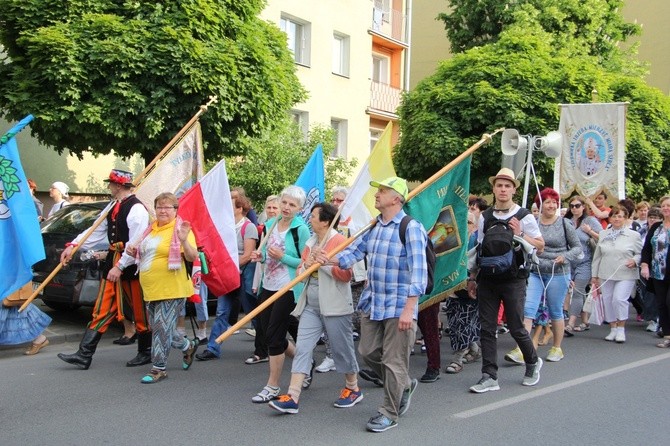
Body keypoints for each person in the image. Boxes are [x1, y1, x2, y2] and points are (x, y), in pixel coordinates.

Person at [317, 176, 427, 433]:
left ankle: (389, 412)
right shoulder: (374, 226)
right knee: (367, 352)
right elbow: (353, 254)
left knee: (393, 361)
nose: (377, 194)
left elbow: (419, 273)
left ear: (396, 198)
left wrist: (410, 309)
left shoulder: (411, 228)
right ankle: (403, 384)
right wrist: (327, 260)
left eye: (383, 190)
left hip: (400, 306)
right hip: (374, 303)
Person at [269, 203, 362, 413]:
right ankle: (293, 396)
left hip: (335, 305)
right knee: (302, 347)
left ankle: (353, 387)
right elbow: (301, 272)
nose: (309, 219)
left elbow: (347, 275)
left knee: (341, 349)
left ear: (326, 222)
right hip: (311, 304)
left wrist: (324, 264)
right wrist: (306, 264)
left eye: (313, 216)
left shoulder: (339, 240)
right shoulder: (311, 242)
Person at [57, 169, 151, 369]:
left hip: (131, 265)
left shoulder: (137, 209)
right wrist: (73, 246)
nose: (108, 187)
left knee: (139, 311)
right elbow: (95, 232)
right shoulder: (112, 206)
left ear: (118, 186)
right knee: (103, 308)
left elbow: (137, 243)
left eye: (110, 184)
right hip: (113, 262)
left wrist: (120, 266)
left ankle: (146, 351)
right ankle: (84, 355)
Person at [468, 168, 545, 393]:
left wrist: (521, 233)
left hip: (514, 279)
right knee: (487, 328)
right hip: (488, 279)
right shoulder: (485, 216)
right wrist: (473, 277)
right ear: (494, 188)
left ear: (513, 190)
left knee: (516, 327)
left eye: (507, 186)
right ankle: (489, 376)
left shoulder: (524, 216)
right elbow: (479, 248)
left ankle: (532, 362)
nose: (503, 189)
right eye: (499, 185)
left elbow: (540, 245)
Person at [125, 192, 199, 383]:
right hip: (151, 289)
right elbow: (142, 252)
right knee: (161, 328)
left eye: (168, 207)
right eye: (160, 207)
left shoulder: (181, 229)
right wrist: (132, 250)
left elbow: (192, 256)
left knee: (160, 328)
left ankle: (158, 368)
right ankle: (186, 346)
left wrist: (183, 240)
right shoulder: (150, 230)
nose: (163, 211)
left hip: (172, 288)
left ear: (176, 210)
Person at [505, 188, 582, 363]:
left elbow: (577, 248)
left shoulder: (564, 224)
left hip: (558, 272)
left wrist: (565, 257)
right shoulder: (534, 223)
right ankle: (521, 349)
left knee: (556, 311)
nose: (552, 205)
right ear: (540, 206)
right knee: (528, 310)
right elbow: (523, 242)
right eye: (547, 202)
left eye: (555, 202)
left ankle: (557, 348)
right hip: (535, 271)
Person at [249, 185, 310, 402]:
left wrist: (282, 256)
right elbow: (266, 254)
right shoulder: (269, 224)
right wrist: (261, 257)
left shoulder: (300, 230)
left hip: (289, 288)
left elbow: (306, 263)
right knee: (266, 333)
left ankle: (272, 386)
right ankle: (305, 364)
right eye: (284, 202)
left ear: (300, 208)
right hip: (269, 284)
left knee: (274, 336)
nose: (286, 207)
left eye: (292, 205)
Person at [196, 194, 258, 360]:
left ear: (239, 208)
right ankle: (212, 348)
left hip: (243, 275)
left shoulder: (248, 227)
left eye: (230, 205)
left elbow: (247, 255)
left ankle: (262, 347)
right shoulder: (225, 227)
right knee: (222, 311)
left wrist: (228, 265)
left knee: (253, 312)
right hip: (228, 275)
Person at [592, 205, 642, 343]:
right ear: (610, 218)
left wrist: (635, 260)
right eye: (614, 216)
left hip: (625, 273)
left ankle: (621, 329)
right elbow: (597, 256)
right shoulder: (603, 234)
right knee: (608, 300)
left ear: (626, 219)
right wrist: (594, 275)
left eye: (620, 216)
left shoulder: (634, 235)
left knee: (619, 299)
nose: (617, 219)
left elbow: (640, 253)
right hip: (606, 272)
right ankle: (613, 328)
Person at [443, 211, 480, 375]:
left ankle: (457, 359)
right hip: (452, 289)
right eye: (463, 222)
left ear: (475, 226)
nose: (466, 226)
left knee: (464, 323)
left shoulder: (477, 242)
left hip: (470, 289)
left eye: (469, 222)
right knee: (454, 323)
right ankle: (474, 349)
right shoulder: (451, 241)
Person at [564, 196, 602, 333]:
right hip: (569, 262)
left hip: (585, 262)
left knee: (578, 291)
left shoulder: (590, 221)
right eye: (572, 206)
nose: (574, 208)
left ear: (583, 206)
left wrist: (590, 232)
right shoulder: (566, 221)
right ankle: (585, 321)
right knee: (573, 292)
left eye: (577, 205)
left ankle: (571, 323)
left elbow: (603, 238)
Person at [640, 196, 670, 347]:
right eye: (664, 206)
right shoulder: (656, 227)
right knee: (662, 304)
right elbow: (647, 248)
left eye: (669, 206)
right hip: (658, 272)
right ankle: (668, 336)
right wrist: (644, 265)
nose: (666, 208)